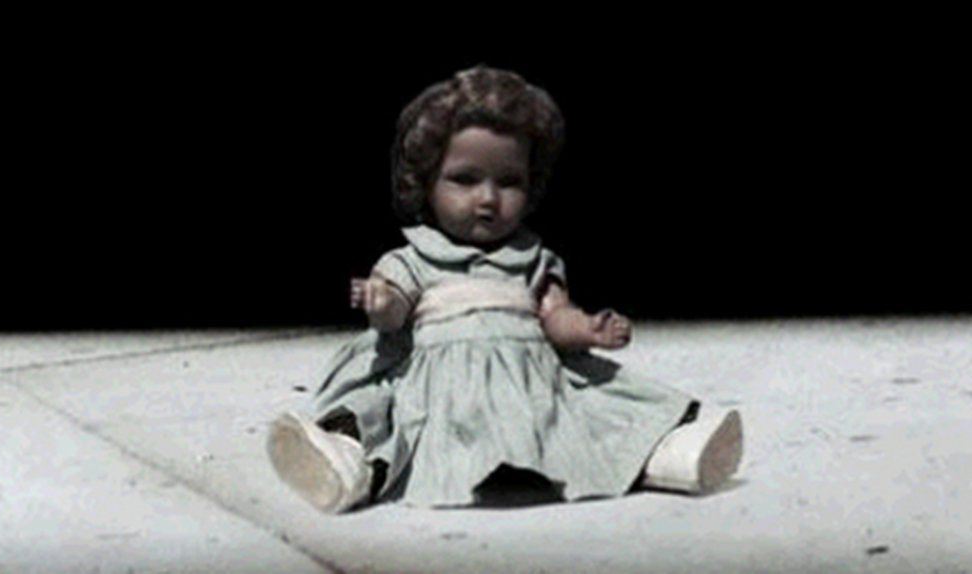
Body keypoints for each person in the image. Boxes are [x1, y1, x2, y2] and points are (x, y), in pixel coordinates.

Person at [267, 66, 743, 513]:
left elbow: (555, 319)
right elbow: (394, 316)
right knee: (384, 414)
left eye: (509, 182)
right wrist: (383, 303)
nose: (488, 199)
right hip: (437, 390)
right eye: (464, 180)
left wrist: (586, 329)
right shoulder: (416, 258)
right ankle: (347, 464)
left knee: (590, 413)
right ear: (424, 183)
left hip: (528, 383)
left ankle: (668, 457)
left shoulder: (532, 260)